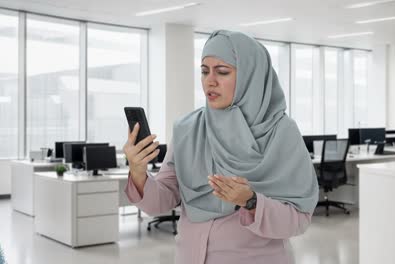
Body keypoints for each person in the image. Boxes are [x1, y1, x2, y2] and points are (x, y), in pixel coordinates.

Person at [123, 30, 319, 264]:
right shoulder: (188, 128)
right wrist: (138, 172)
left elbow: (299, 219)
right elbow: (162, 200)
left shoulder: (282, 132)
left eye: (222, 71)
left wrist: (251, 201)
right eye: (204, 71)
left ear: (250, 76)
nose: (210, 81)